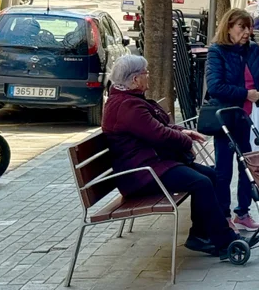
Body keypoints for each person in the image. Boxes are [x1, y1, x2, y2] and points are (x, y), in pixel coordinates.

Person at [102, 55, 243, 259]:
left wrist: (183, 132)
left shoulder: (128, 100)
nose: (148, 76)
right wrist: (185, 141)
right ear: (134, 80)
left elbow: (158, 127)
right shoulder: (127, 106)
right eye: (145, 73)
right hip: (141, 174)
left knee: (210, 176)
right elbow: (159, 134)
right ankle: (225, 241)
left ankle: (201, 235)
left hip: (150, 164)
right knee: (201, 182)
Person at [206, 8, 259, 232]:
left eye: (249, 27)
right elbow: (215, 87)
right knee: (224, 169)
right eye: (241, 27)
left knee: (250, 166)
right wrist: (245, 94)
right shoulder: (217, 51)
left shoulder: (253, 49)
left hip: (249, 118)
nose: (247, 32)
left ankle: (242, 213)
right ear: (229, 27)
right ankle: (223, 215)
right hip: (226, 118)